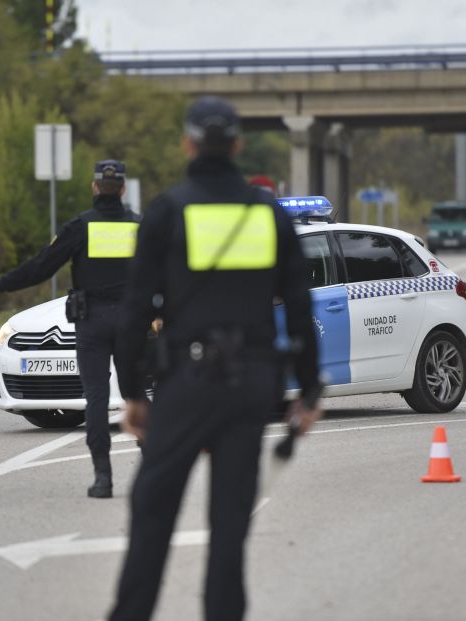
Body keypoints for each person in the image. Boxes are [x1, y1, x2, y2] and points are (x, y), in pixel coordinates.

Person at [108, 96, 323, 621]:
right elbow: (299, 306)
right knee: (229, 530)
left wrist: (134, 393)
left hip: (186, 381)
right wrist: (310, 390)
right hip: (251, 386)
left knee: (152, 514)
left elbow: (133, 315)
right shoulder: (268, 213)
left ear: (187, 144)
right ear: (238, 145)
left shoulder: (167, 210)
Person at [0, 159, 140, 499]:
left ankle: (103, 479)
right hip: (131, 322)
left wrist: (3, 284)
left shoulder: (80, 227)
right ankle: (152, 475)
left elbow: (42, 266)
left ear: (94, 187)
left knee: (97, 399)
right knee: (135, 397)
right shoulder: (139, 227)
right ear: (124, 188)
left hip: (92, 322)